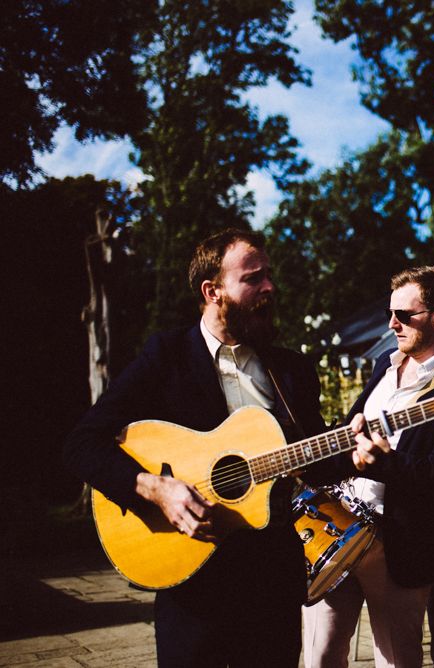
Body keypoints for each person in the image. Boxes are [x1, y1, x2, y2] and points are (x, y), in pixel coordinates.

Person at [64, 228, 329, 668]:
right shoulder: (165, 356)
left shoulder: (291, 370)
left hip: (270, 584)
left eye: (269, 276)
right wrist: (156, 488)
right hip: (191, 581)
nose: (270, 287)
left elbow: (318, 465)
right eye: (253, 278)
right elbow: (81, 445)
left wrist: (358, 451)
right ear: (213, 291)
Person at [302, 266, 434, 668]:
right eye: (390, 313)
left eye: (404, 314)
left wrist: (382, 465)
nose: (392, 323)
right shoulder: (383, 366)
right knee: (320, 653)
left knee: (396, 661)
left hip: (400, 544)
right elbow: (351, 434)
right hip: (339, 527)